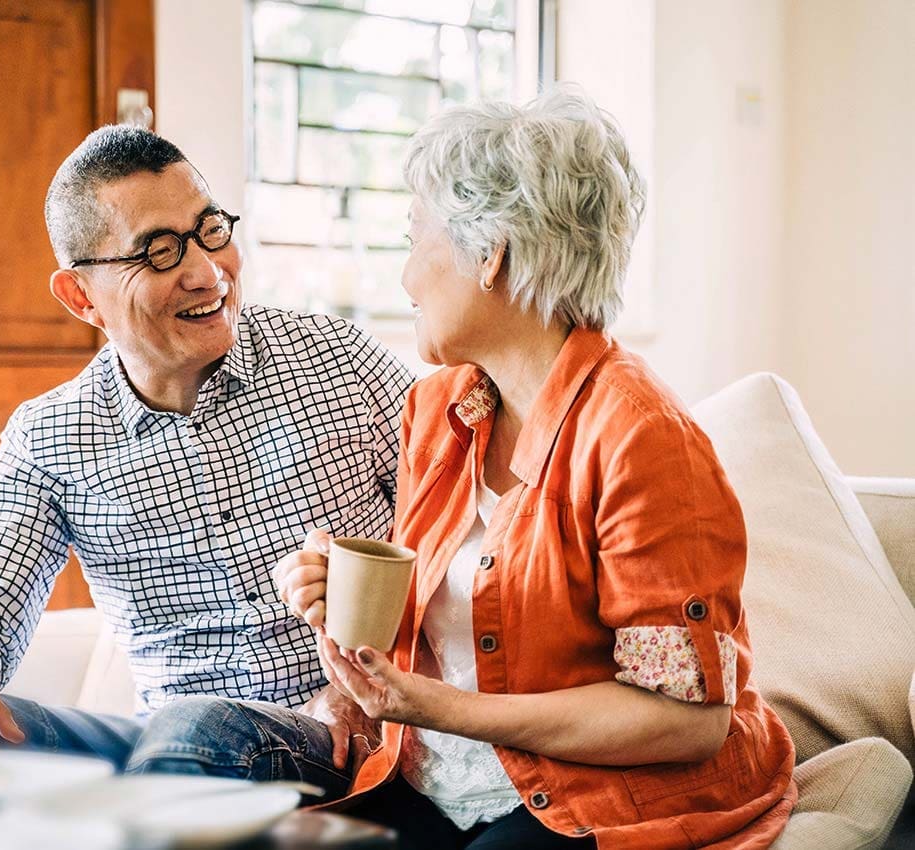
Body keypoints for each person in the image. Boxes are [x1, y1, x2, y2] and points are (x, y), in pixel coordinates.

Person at [275, 90, 797, 849]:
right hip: (436, 780)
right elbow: (460, 631)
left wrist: (440, 710)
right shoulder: (438, 409)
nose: (405, 278)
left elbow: (688, 721)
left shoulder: (641, 437)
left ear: (489, 253)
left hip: (600, 795)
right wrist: (341, 598)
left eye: (412, 237)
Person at [0, 125, 414, 800]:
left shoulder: (337, 359)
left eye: (211, 231)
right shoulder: (50, 437)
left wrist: (369, 678)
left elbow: (472, 541)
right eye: (159, 253)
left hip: (332, 728)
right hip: (165, 749)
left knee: (196, 732)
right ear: (81, 298)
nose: (205, 272)